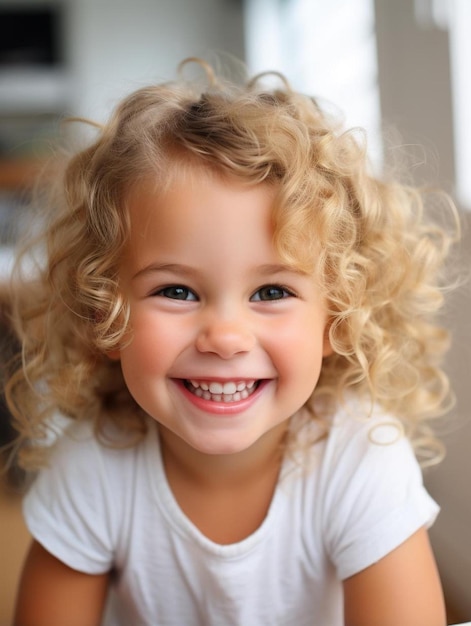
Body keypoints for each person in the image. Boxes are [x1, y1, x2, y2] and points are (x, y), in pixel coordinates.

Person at [6, 58, 458, 626]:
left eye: (271, 291)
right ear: (105, 315)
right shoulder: (94, 466)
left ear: (337, 319)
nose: (224, 337)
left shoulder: (359, 460)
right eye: (176, 290)